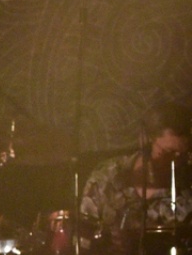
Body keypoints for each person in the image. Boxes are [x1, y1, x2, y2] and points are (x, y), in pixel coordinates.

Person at [81, 102, 191, 240]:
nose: (175, 161)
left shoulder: (188, 185)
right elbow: (84, 233)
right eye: (167, 153)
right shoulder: (108, 174)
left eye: (182, 154)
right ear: (146, 140)